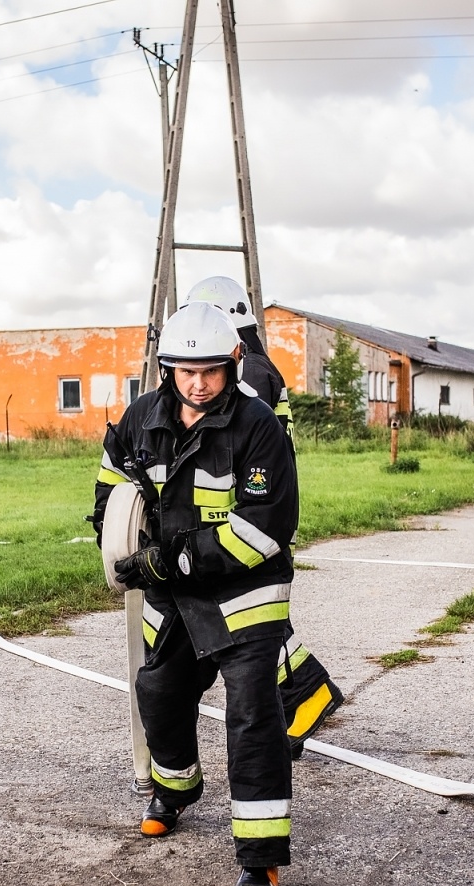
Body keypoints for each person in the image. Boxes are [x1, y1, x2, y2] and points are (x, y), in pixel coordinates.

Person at [96, 301, 299, 886]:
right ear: (167, 368)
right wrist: (116, 538)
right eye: (185, 371)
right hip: (174, 595)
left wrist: (174, 559)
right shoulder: (142, 417)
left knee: (251, 716)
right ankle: (174, 789)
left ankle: (259, 862)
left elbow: (266, 528)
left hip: (247, 595)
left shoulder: (258, 425)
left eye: (210, 370)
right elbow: (113, 486)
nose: (197, 383)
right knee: (157, 690)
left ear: (234, 361)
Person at [181, 276, 343, 756]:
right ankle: (296, 699)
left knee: (250, 618)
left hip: (248, 512)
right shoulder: (257, 363)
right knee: (245, 618)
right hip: (252, 506)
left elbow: (225, 434)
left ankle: (306, 692)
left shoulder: (248, 368)